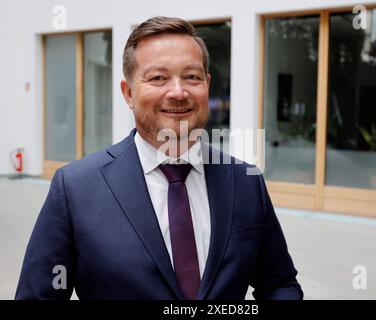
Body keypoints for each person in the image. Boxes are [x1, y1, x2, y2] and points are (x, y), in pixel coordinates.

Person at [15, 16, 303, 300]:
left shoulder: (245, 182)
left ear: (207, 85)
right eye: (158, 78)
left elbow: (280, 285)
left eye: (192, 77)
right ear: (128, 93)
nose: (178, 92)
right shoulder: (76, 188)